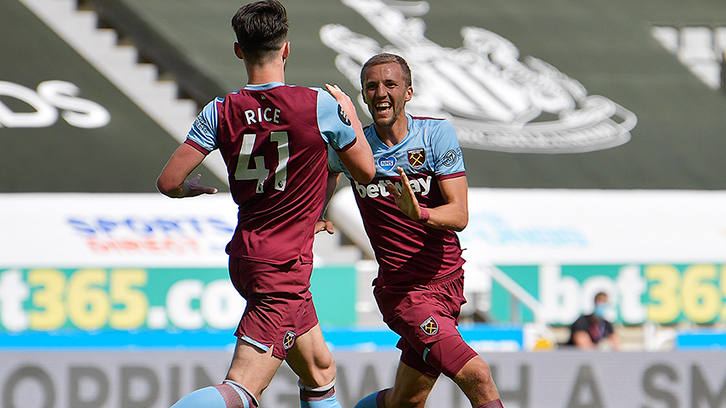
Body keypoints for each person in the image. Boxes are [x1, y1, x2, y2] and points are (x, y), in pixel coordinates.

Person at [156, 1, 375, 407]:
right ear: (286, 49)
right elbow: (364, 171)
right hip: (283, 268)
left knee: (320, 369)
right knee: (241, 388)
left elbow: (169, 182)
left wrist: (191, 191)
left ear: (239, 50)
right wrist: (349, 116)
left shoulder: (219, 111)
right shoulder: (319, 105)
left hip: (247, 256)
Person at [325, 53, 504, 408]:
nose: (380, 93)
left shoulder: (436, 134)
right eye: (371, 86)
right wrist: (316, 210)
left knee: (406, 401)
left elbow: (459, 213)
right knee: (478, 376)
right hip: (406, 294)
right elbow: (326, 171)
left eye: (390, 84)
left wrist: (419, 213)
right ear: (362, 95)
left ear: (408, 92)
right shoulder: (354, 147)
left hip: (449, 281)